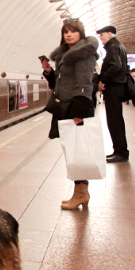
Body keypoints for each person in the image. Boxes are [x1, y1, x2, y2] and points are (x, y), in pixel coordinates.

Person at [42, 18, 100, 210]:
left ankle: (82, 193)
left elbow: (84, 83)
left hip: (75, 107)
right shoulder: (65, 54)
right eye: (66, 31)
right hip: (65, 106)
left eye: (73, 31)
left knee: (77, 152)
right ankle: (79, 192)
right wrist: (50, 73)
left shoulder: (83, 53)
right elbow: (60, 83)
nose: (68, 34)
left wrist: (79, 112)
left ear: (80, 33)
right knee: (72, 151)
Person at [96, 26, 130, 162]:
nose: (100, 37)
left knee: (114, 120)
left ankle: (121, 152)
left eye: (102, 34)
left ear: (110, 34)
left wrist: (103, 80)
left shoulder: (113, 47)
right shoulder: (119, 46)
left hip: (114, 87)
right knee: (116, 120)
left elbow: (116, 66)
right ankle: (120, 150)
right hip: (119, 86)